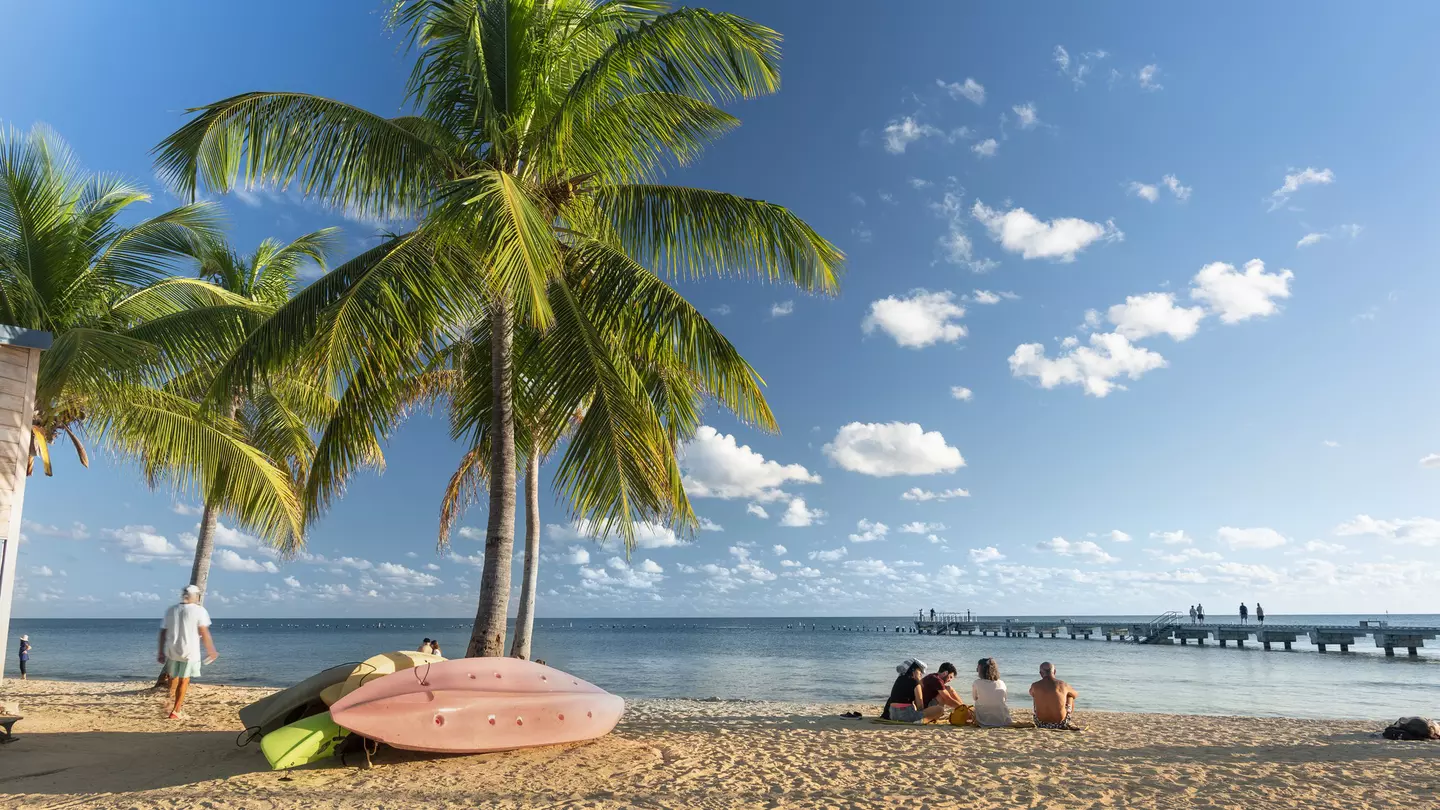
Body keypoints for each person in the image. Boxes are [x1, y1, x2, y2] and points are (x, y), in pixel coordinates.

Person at [157, 585, 218, 720]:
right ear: (195, 596)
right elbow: (204, 631)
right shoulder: (199, 611)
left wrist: (160, 652)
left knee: (174, 677)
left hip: (172, 650)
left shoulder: (171, 610)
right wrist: (211, 650)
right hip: (189, 652)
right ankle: (176, 710)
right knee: (184, 680)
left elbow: (163, 632)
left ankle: (171, 700)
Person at [881, 659, 948, 723]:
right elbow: (920, 706)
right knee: (940, 709)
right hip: (906, 716)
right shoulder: (915, 682)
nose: (921, 674)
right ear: (913, 671)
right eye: (919, 671)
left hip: (892, 715)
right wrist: (925, 712)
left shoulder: (899, 679)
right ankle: (922, 721)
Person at [1029, 662, 1079, 729]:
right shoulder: (1063, 684)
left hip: (1040, 723)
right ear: (1054, 671)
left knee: (1036, 694)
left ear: (1040, 673)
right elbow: (1075, 695)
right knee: (1070, 696)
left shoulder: (1035, 685)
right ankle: (1067, 719)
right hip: (1061, 723)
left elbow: (1031, 693)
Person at [971, 657, 1012, 727]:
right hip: (1002, 719)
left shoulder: (977, 683)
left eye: (978, 669)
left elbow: (975, 698)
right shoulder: (1001, 683)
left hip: (983, 720)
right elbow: (1004, 699)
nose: (977, 670)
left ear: (981, 670)